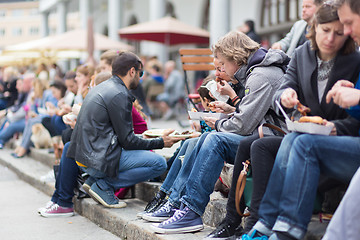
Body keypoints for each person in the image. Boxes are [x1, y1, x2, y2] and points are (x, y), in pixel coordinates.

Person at [147, 31, 289, 234]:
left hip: (273, 140)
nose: (221, 69)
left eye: (222, 63)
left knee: (214, 140)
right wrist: (230, 112)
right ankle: (182, 206)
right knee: (206, 138)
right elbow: (254, 115)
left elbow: (243, 125)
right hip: (265, 134)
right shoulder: (257, 72)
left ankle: (189, 210)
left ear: (235, 57)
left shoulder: (260, 76)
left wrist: (218, 125)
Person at [242, 2, 360, 239]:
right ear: (315, 28)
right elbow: (282, 92)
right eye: (326, 30)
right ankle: (264, 221)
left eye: (340, 31)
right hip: (306, 133)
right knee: (266, 143)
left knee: (297, 142)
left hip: (335, 138)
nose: (332, 38)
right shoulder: (301, 54)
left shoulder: (354, 61)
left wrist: (332, 127)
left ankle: (276, 225)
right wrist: (284, 97)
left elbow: (355, 120)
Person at [66, 52, 182, 209]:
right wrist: (161, 142)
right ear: (132, 71)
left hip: (85, 158)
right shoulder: (120, 94)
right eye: (140, 73)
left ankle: (95, 181)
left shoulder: (101, 88)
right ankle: (103, 184)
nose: (140, 78)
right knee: (159, 164)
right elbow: (127, 141)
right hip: (97, 161)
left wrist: (153, 138)